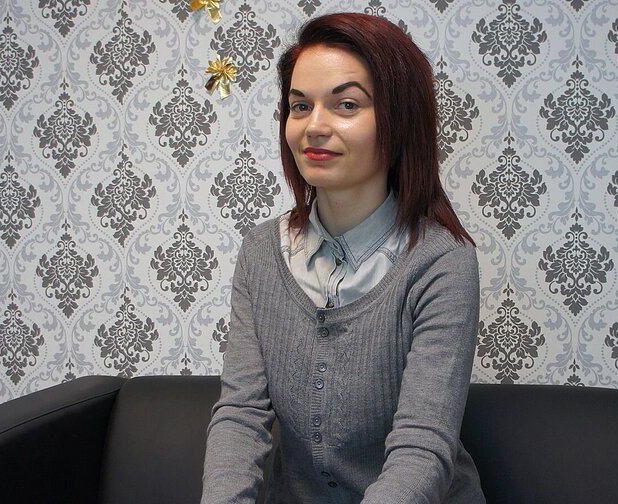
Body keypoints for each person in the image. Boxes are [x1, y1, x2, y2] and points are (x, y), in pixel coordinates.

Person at [201, 12, 485, 504]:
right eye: (299, 106)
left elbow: (422, 449)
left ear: (398, 121)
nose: (314, 126)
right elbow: (240, 416)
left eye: (346, 104)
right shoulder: (261, 252)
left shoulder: (442, 262)